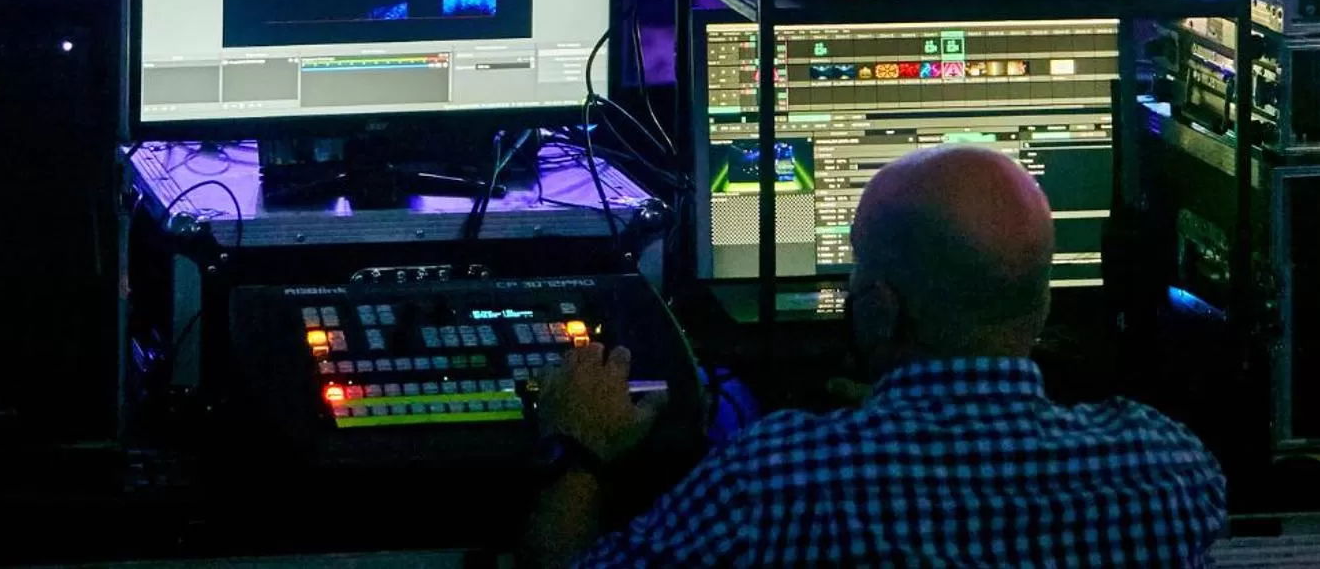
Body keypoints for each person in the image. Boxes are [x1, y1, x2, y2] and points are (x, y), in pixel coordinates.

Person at [525, 145, 1227, 568]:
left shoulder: (783, 477)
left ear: (878, 308)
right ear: (1040, 304)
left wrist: (580, 450)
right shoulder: (1169, 468)